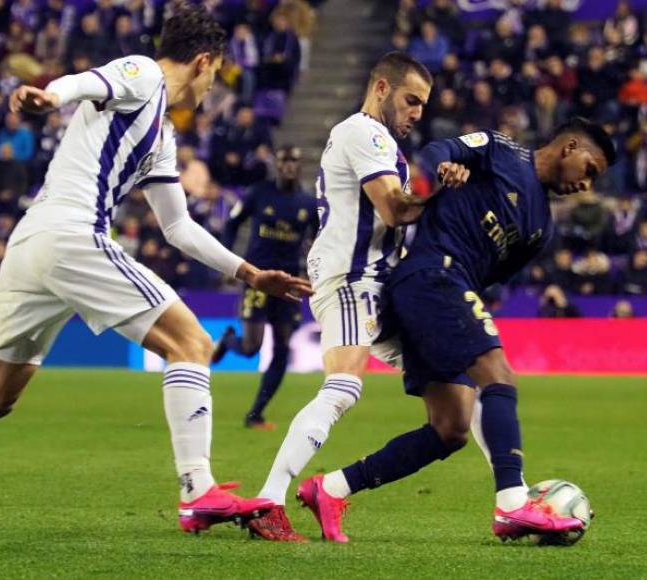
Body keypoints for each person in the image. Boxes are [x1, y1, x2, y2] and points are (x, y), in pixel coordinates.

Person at [0, 7, 312, 551]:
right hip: (72, 234)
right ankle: (197, 488)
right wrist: (48, 95)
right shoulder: (145, 73)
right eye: (215, 72)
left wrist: (248, 271)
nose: (211, 86)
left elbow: (177, 226)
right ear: (203, 61)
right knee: (193, 344)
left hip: (33, 242)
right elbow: (89, 83)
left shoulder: (160, 137)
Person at [285, 118, 616, 543]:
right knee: (497, 374)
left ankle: (330, 489)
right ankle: (513, 504)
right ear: (571, 147)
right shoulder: (501, 150)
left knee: (452, 427)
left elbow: (493, 274)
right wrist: (444, 172)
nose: (586, 183)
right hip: (431, 273)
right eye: (590, 169)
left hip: (447, 290)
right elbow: (436, 152)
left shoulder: (541, 227)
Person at [245, 52, 435, 542]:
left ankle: (513, 496)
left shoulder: (380, 143)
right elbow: (393, 209)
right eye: (410, 100)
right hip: (355, 278)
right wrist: (448, 198)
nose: (417, 112)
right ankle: (269, 499)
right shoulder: (365, 133)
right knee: (344, 387)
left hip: (379, 282)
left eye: (422, 105)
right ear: (381, 88)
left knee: (454, 383)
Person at [212, 144, 318, 430]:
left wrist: (315, 267)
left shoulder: (308, 203)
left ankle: (256, 413)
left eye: (293, 161)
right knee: (251, 347)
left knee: (282, 347)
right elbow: (232, 224)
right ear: (276, 164)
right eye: (283, 161)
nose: (288, 166)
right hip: (257, 278)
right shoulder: (259, 194)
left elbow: (320, 238)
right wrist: (228, 261)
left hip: (289, 282)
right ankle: (227, 341)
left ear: (300, 165)